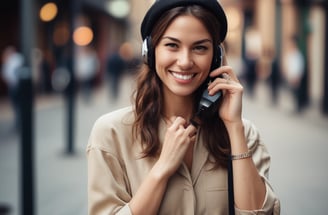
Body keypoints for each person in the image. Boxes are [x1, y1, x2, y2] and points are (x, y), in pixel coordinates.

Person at [87, 0, 280, 214]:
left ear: (215, 58)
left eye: (200, 47)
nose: (185, 61)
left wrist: (234, 128)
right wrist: (162, 169)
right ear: (150, 51)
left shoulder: (244, 134)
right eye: (172, 45)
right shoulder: (110, 134)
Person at [1, 46, 24, 131]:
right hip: (13, 86)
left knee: (18, 105)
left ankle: (20, 123)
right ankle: (18, 123)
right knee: (16, 106)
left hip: (17, 86)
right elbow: (5, 74)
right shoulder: (9, 60)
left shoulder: (16, 59)